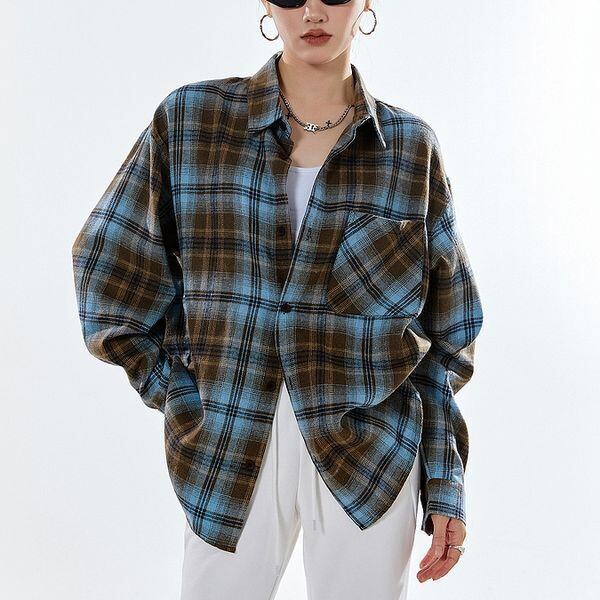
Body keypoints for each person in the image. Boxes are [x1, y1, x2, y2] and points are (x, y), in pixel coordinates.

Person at [71, 1, 484, 598]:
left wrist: (445, 486)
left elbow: (448, 334)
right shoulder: (191, 121)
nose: (312, 10)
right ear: (266, 4)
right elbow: (107, 268)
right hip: (230, 444)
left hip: (370, 454)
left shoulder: (409, 149)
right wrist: (180, 393)